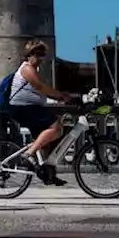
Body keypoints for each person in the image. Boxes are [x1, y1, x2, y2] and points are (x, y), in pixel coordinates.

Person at [10, 40, 78, 186]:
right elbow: (40, 86)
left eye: (43, 55)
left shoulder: (34, 69)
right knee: (55, 127)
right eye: (38, 54)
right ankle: (28, 154)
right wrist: (61, 96)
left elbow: (44, 90)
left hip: (31, 107)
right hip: (22, 108)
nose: (41, 58)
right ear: (29, 55)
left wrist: (60, 96)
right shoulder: (27, 69)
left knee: (51, 140)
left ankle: (49, 174)